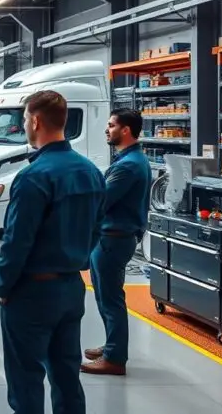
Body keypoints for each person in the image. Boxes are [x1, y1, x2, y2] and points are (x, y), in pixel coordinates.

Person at [0, 91, 105, 414]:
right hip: (71, 288)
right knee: (66, 374)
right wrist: (78, 259)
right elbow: (98, 226)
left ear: (36, 121)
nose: (25, 124)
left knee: (26, 377)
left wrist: (4, 285)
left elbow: (17, 240)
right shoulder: (90, 171)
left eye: (26, 118)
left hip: (31, 291)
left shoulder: (33, 177)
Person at [82, 109, 151, 376]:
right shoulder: (131, 160)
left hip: (113, 238)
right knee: (105, 296)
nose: (106, 129)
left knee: (110, 299)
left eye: (111, 125)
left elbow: (102, 201)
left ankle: (114, 357)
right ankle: (112, 345)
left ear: (125, 130)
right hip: (114, 237)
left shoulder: (128, 166)